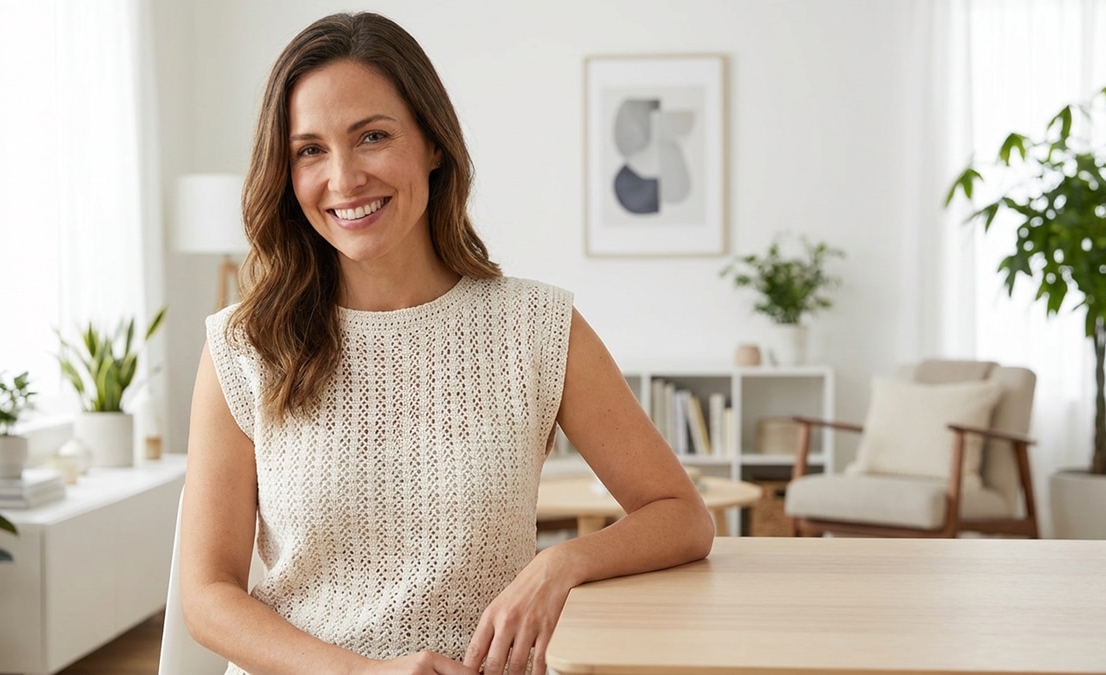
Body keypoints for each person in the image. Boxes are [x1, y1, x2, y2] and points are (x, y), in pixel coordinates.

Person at [179, 11, 715, 675]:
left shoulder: (536, 327)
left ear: (433, 144)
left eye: (371, 136)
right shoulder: (244, 346)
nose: (344, 179)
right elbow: (207, 595)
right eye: (309, 150)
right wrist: (362, 672)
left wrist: (560, 565)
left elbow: (682, 515)